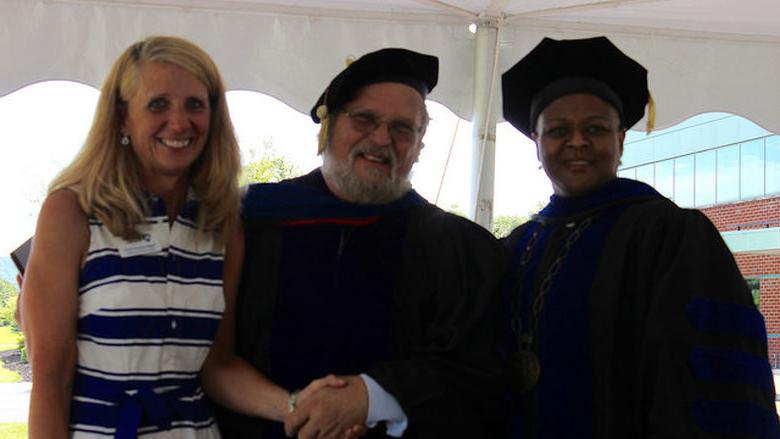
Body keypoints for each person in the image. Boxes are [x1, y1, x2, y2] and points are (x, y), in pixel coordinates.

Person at [214, 48, 509, 438]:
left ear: (420, 144)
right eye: (364, 119)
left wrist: (374, 397)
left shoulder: (457, 248)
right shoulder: (251, 219)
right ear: (329, 125)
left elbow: (478, 375)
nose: (383, 138)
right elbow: (209, 355)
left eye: (403, 128)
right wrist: (298, 411)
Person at [500, 36, 780, 438]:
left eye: (595, 128)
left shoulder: (673, 237)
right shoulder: (515, 248)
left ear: (621, 140)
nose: (577, 141)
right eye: (558, 130)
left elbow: (716, 387)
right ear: (537, 144)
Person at [20, 35, 246, 438]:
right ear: (123, 118)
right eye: (158, 104)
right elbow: (51, 383)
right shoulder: (71, 212)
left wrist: (297, 407)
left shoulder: (223, 224)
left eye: (195, 104)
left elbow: (218, 367)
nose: (179, 123)